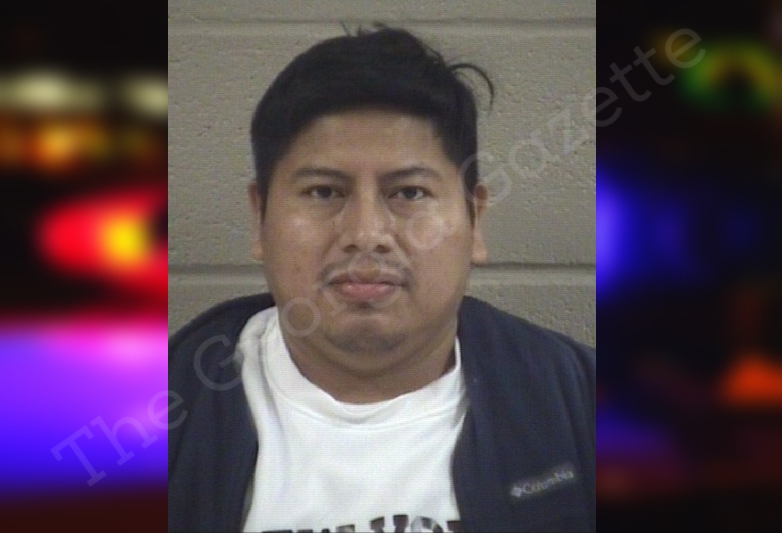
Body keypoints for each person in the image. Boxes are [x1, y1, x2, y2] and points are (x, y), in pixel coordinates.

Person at [169, 26, 595, 533]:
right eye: (324, 192)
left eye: (409, 193)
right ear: (260, 218)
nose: (366, 235)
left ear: (475, 220)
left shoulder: (584, 409)